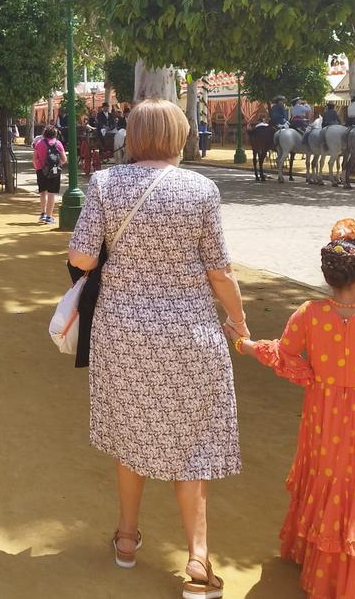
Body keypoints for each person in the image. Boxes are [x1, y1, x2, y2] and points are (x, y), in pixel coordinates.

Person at [67, 99, 245, 590]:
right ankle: (197, 559)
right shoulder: (201, 189)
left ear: (134, 135)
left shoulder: (104, 183)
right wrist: (239, 320)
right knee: (194, 442)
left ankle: (127, 538)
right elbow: (219, 270)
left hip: (122, 331)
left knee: (131, 432)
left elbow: (81, 257)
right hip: (190, 331)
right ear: (180, 135)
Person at [229, 219, 355, 599]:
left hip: (324, 412)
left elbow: (283, 355)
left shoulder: (309, 314)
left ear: (329, 278)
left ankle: (319, 557)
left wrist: (244, 344)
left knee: (329, 477)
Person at [33, 125, 66, 225]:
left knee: (43, 192)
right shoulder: (58, 143)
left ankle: (43, 213)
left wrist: (37, 167)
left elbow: (34, 158)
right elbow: (64, 159)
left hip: (40, 170)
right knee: (52, 193)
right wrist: (56, 164)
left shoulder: (39, 143)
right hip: (54, 171)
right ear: (55, 134)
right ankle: (49, 216)